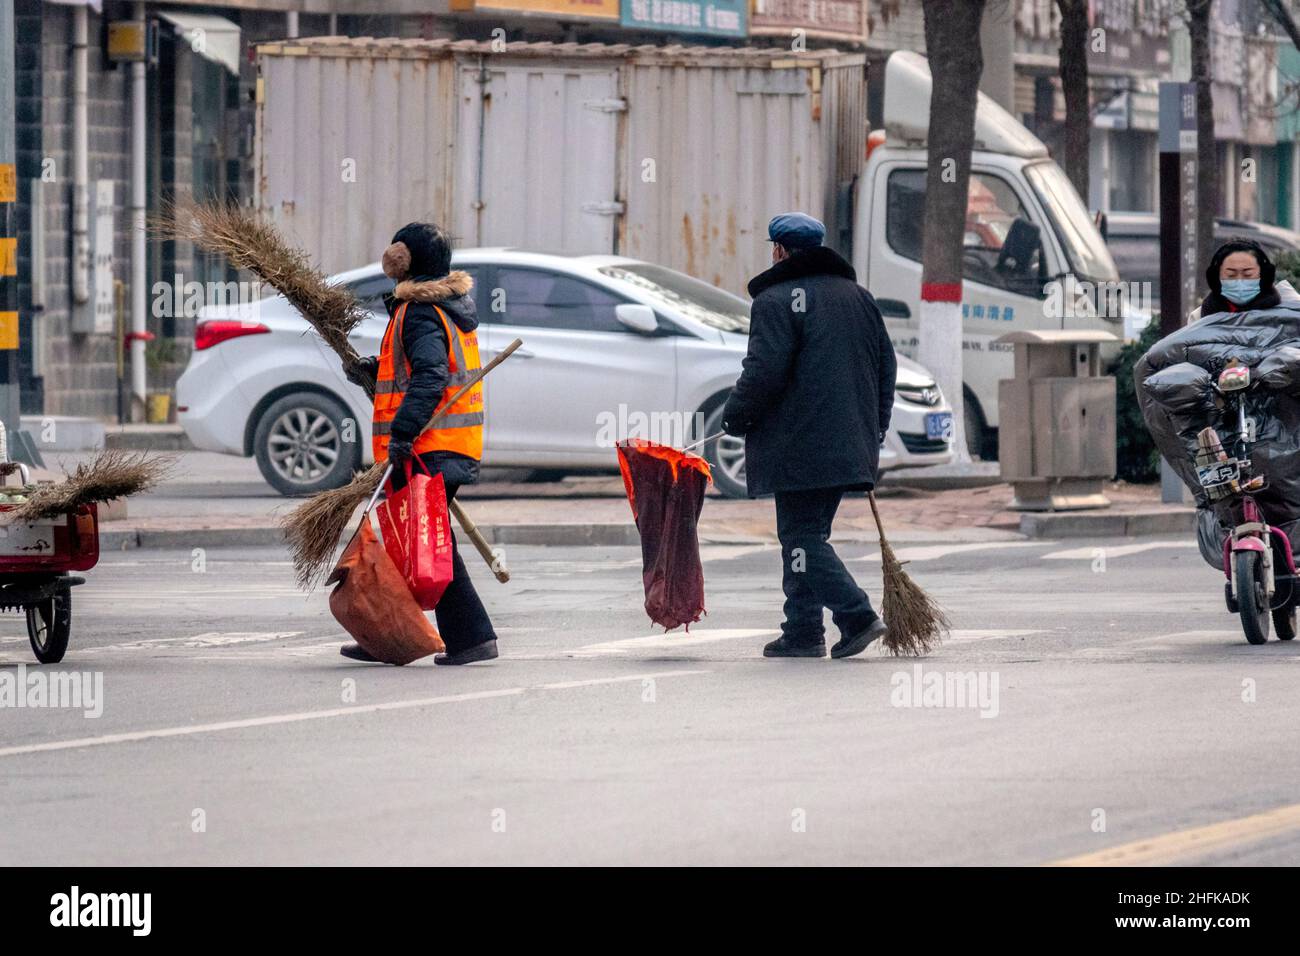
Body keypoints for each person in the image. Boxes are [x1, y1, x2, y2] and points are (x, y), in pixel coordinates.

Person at [721, 213, 895, 659]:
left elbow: (764, 371)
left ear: (779, 251)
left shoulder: (776, 300)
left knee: (802, 539)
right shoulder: (858, 297)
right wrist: (875, 425)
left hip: (799, 443)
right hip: (848, 440)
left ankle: (856, 615)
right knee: (804, 534)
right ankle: (802, 630)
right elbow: (886, 366)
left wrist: (735, 417)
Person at [341, 222, 499, 665]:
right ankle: (405, 634)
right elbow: (422, 371)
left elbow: (431, 378)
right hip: (448, 444)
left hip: (429, 446)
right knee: (421, 541)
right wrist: (374, 370)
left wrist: (403, 434)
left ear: (402, 260)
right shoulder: (445, 307)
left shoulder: (421, 313)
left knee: (424, 542)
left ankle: (460, 638)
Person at [1188, 238, 1296, 322]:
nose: (1239, 280)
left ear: (1264, 275)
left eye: (1248, 274)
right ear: (1216, 278)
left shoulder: (1290, 313)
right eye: (1231, 275)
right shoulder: (1199, 318)